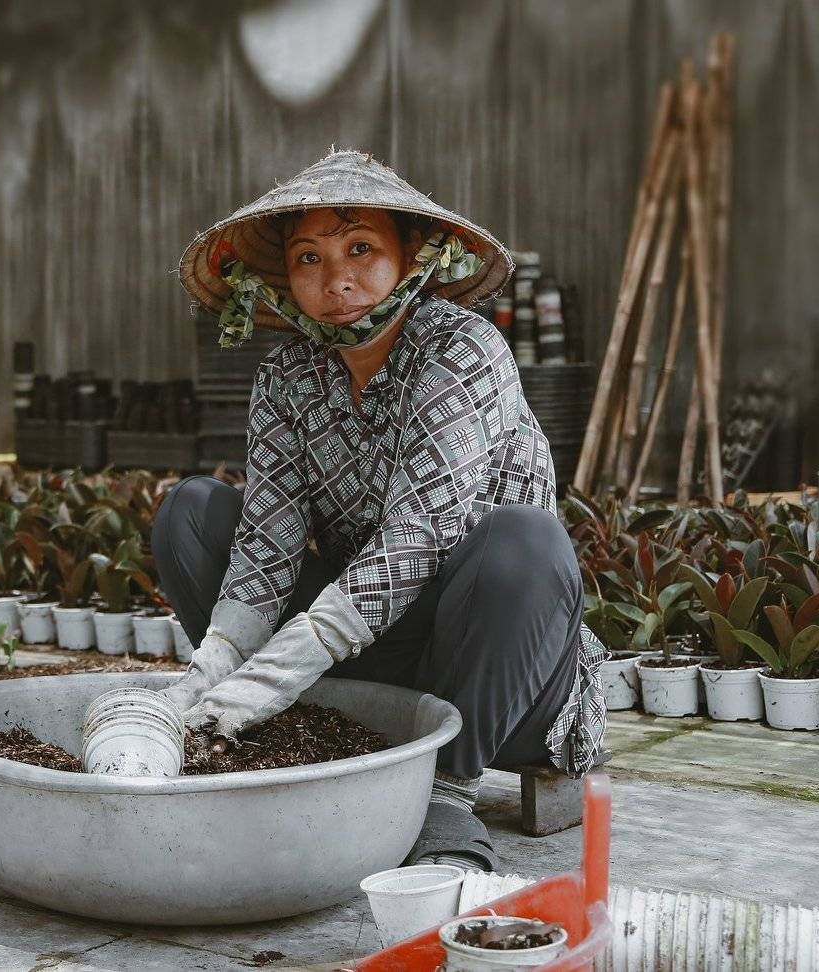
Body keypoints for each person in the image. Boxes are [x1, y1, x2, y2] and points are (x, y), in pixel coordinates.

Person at [155, 149, 607, 872]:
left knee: (524, 541)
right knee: (191, 513)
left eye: (361, 248)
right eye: (309, 258)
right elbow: (266, 544)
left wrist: (268, 680)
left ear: (413, 255)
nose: (336, 280)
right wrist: (206, 683)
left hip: (500, 673)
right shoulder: (286, 377)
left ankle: (447, 794)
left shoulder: (463, 350)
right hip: (372, 659)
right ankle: (307, 730)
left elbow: (417, 539)